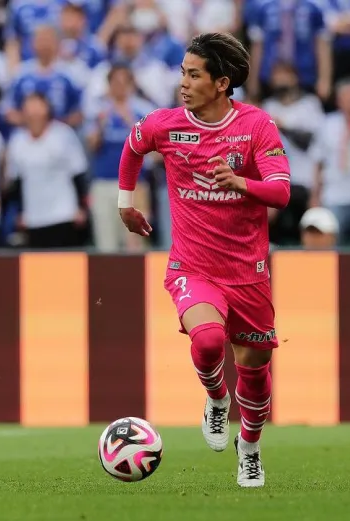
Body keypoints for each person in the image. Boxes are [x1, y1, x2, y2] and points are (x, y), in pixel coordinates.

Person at [117, 33, 291, 488]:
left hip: (248, 273)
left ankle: (249, 448)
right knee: (210, 341)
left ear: (221, 83)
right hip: (192, 267)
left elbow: (281, 191)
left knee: (255, 372)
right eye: (182, 73)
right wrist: (124, 203)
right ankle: (216, 399)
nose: (184, 83)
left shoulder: (256, 127)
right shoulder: (167, 125)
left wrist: (241, 183)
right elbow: (134, 144)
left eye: (194, 75)